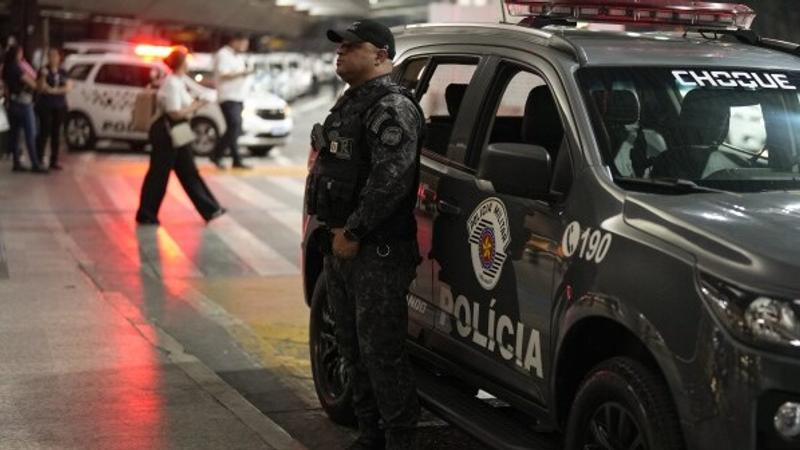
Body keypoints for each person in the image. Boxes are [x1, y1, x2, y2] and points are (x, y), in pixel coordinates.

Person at [306, 20, 424, 450]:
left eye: (352, 46)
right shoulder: (352, 103)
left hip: (376, 250)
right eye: (340, 46)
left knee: (381, 351)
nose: (341, 52)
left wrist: (354, 231)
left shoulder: (391, 107)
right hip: (342, 245)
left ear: (380, 55)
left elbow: (390, 179)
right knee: (351, 346)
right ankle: (370, 433)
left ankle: (398, 439)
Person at [136, 47, 225, 225]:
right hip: (167, 132)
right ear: (181, 63)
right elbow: (174, 113)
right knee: (159, 174)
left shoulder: (178, 80)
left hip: (179, 130)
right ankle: (146, 213)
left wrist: (197, 102)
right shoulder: (171, 83)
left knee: (189, 171)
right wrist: (198, 105)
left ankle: (211, 209)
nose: (189, 63)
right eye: (186, 60)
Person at [211, 33, 253, 169]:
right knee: (235, 125)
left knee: (235, 128)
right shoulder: (223, 54)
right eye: (244, 43)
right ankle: (216, 153)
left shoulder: (239, 56)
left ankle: (236, 159)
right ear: (235, 41)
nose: (245, 47)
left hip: (239, 97)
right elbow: (223, 73)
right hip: (228, 96)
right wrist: (243, 73)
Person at [3, 44, 45, 173]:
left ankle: (16, 162)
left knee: (15, 134)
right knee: (30, 134)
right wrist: (40, 77)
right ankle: (35, 163)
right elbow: (32, 84)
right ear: (17, 54)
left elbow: (5, 88)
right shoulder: (17, 68)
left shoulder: (6, 68)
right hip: (24, 104)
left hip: (12, 104)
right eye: (20, 53)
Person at [36, 47, 72, 171]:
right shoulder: (43, 70)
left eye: (55, 56)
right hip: (45, 106)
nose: (53, 59)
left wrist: (53, 91)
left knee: (56, 133)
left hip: (59, 105)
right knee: (44, 131)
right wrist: (43, 78)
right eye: (51, 56)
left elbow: (67, 87)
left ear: (59, 58)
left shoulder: (63, 72)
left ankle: (54, 160)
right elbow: (40, 88)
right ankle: (39, 158)